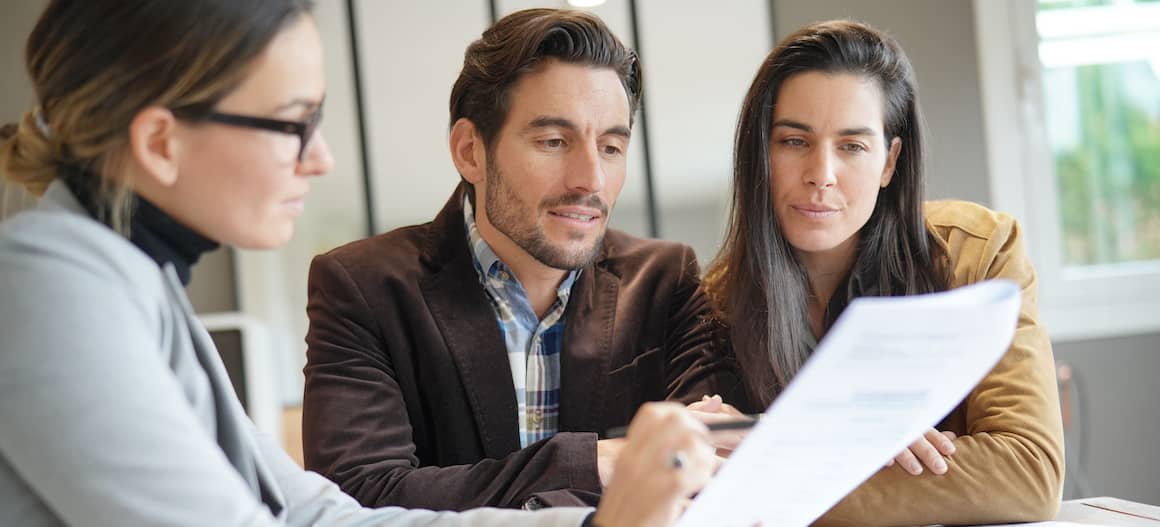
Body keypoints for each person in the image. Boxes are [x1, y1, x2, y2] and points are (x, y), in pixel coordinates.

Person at [0, 2, 717, 526]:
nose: (321, 157)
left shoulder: (133, 281)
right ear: (160, 142)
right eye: (292, 122)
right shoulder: (44, 288)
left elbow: (317, 515)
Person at [300, 7, 742, 512]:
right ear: (471, 151)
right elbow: (357, 500)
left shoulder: (664, 280)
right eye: (553, 142)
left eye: (612, 147)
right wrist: (597, 462)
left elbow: (705, 477)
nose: (591, 179)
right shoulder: (363, 287)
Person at [700, 20, 1065, 526]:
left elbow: (1029, 474)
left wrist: (790, 459)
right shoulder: (715, 299)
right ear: (762, 151)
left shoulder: (978, 255)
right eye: (793, 141)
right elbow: (704, 477)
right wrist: (858, 447)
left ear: (890, 161)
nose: (821, 174)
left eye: (852, 146)